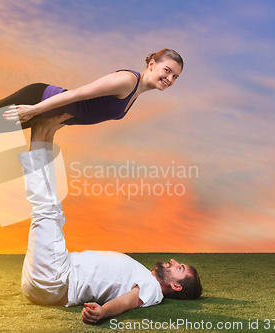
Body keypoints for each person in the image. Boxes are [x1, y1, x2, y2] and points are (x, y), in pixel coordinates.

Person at [20, 113, 202, 325]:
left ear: (176, 286)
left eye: (179, 268)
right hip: (55, 274)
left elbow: (126, 302)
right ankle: (46, 131)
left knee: (47, 208)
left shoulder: (152, 290)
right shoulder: (143, 276)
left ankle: (41, 129)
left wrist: (104, 312)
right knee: (51, 209)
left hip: (54, 278)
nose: (174, 261)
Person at [0, 49, 183, 159]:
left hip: (45, 111)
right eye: (167, 70)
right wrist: (35, 110)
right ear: (152, 63)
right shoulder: (127, 81)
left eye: (175, 77)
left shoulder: (135, 96)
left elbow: (80, 112)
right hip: (37, 99)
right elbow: (79, 93)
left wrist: (50, 124)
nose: (169, 78)